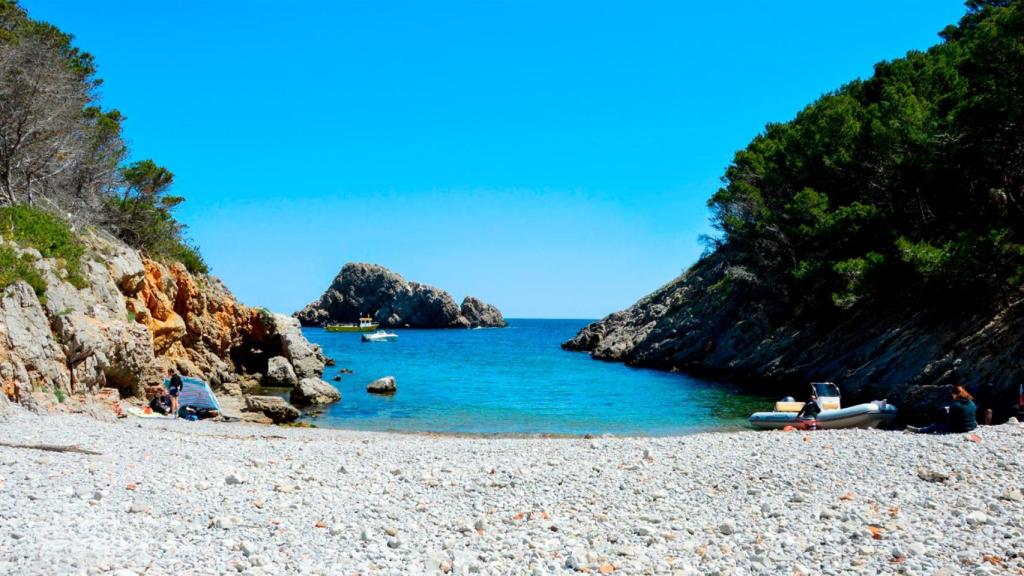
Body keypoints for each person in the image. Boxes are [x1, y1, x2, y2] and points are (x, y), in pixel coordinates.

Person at [907, 385, 978, 434]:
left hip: (961, 429)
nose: (952, 396)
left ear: (955, 394)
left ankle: (920, 430)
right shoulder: (971, 402)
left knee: (935, 425)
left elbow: (950, 421)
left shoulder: (956, 405)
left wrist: (947, 412)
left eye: (952, 394)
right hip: (972, 426)